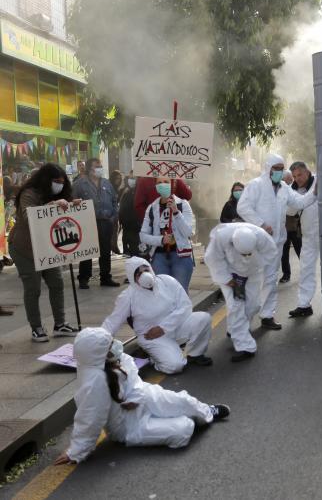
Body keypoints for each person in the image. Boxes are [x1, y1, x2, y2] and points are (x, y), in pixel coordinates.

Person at [54, 328, 229, 465]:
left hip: (144, 396)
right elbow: (90, 418)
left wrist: (136, 396)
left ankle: (207, 413)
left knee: (183, 400)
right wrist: (76, 451)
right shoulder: (94, 382)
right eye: (110, 345)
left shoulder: (110, 357)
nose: (115, 345)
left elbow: (130, 367)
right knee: (183, 429)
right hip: (129, 425)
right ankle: (190, 419)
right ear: (99, 353)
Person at [237, 153, 318, 330]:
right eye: (276, 169)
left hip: (277, 242)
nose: (279, 173)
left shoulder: (283, 187)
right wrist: (261, 224)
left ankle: (267, 316)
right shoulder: (255, 185)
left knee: (271, 279)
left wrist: (315, 192)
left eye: (282, 169)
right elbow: (242, 207)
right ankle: (241, 322)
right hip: (258, 241)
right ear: (268, 169)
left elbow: (300, 202)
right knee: (254, 281)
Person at [7, 163, 80, 342]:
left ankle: (60, 323)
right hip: (25, 248)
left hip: (47, 247)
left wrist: (72, 206)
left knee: (57, 283)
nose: (59, 185)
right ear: (46, 180)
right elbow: (29, 215)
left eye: (62, 182)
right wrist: (53, 204)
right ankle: (36, 327)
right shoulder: (29, 193)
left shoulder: (58, 194)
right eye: (56, 181)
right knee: (33, 288)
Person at [102, 257, 213, 373]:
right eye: (139, 273)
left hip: (175, 326)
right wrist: (99, 341)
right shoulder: (128, 296)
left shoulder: (167, 281)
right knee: (175, 366)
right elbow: (113, 321)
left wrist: (163, 327)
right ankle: (154, 358)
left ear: (151, 269)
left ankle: (195, 354)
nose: (144, 275)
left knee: (203, 318)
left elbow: (185, 306)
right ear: (132, 277)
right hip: (151, 336)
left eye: (146, 270)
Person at [205, 223, 277, 362]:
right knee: (236, 307)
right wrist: (226, 279)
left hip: (253, 272)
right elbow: (213, 259)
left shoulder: (261, 236)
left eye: (248, 253)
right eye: (243, 254)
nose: (246, 256)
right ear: (232, 243)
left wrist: (254, 264)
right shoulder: (222, 236)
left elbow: (271, 253)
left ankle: (234, 329)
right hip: (229, 273)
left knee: (253, 305)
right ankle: (245, 346)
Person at [140, 177, 195, 293]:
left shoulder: (183, 204)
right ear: (155, 186)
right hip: (159, 258)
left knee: (180, 294)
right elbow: (143, 236)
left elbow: (189, 232)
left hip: (181, 257)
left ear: (172, 184)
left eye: (166, 182)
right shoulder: (152, 208)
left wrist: (176, 212)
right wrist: (161, 240)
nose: (162, 185)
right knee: (163, 294)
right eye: (159, 183)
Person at [73, 158, 119, 288]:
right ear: (89, 169)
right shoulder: (79, 184)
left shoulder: (107, 183)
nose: (100, 168)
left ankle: (105, 277)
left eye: (100, 166)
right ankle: (84, 278)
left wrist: (114, 216)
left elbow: (115, 201)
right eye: (97, 166)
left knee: (105, 251)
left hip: (106, 222)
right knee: (87, 251)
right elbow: (72, 201)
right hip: (88, 223)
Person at [287, 161, 319, 318]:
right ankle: (304, 305)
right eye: (294, 176)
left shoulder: (321, 180)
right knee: (306, 270)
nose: (297, 178)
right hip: (309, 235)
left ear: (308, 171)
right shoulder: (293, 190)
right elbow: (290, 211)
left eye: (300, 174)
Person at [280, 171, 302, 284]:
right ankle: (286, 274)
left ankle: (305, 272)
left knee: (300, 251)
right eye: (287, 179)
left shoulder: (294, 191)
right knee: (284, 253)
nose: (290, 181)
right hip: (283, 228)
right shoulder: (278, 192)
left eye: (290, 179)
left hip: (294, 227)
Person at [118, 173, 141, 258]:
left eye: (133, 178)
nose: (131, 180)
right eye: (130, 178)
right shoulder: (125, 191)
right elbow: (122, 207)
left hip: (137, 225)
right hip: (127, 224)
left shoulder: (140, 191)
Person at [109, 170, 125, 255]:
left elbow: (118, 201)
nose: (118, 180)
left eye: (119, 179)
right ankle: (112, 247)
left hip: (115, 213)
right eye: (116, 178)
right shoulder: (109, 187)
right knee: (110, 232)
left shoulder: (119, 189)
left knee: (115, 231)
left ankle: (114, 247)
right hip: (108, 213)